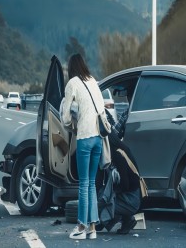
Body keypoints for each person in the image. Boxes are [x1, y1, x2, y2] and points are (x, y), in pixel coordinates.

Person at [61, 53, 106, 240]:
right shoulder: (93, 80)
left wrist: (73, 122)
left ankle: (80, 227)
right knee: (92, 184)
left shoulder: (72, 83)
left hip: (85, 137)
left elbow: (64, 117)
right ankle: (92, 228)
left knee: (83, 184)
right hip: (98, 138)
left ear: (71, 68)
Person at [96, 109, 141, 234]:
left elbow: (125, 185)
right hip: (132, 196)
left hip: (132, 199)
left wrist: (111, 194)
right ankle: (125, 219)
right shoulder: (121, 148)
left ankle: (126, 218)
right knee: (103, 197)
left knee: (103, 202)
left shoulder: (117, 155)